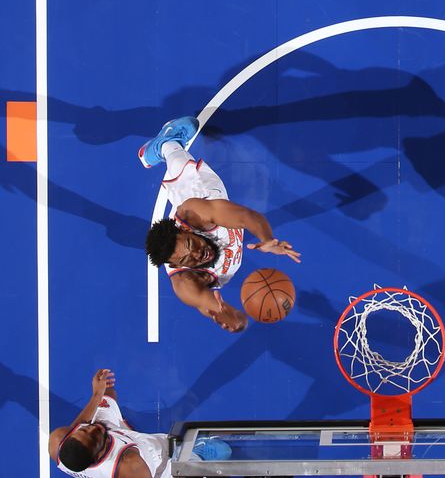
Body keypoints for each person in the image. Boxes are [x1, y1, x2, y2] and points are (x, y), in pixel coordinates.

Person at [139, 116, 301, 332]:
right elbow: (223, 313)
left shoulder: (195, 213)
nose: (197, 255)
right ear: (178, 265)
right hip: (205, 249)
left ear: (185, 230)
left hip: (201, 197)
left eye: (191, 245)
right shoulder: (186, 283)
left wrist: (267, 239)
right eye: (188, 259)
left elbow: (246, 217)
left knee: (184, 172)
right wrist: (226, 316)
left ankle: (165, 144)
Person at [49, 369, 231, 478]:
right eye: (93, 436)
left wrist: (97, 394)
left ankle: (124, 431)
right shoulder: (131, 465)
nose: (92, 428)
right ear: (97, 456)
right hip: (162, 465)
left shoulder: (58, 442)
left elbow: (88, 426)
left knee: (108, 395)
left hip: (116, 436)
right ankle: (191, 454)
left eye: (83, 430)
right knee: (224, 452)